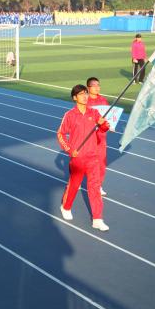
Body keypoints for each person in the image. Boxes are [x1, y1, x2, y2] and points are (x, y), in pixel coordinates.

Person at [57, 85, 110, 231]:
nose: (85, 96)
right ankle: (66, 207)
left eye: (86, 93)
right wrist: (69, 150)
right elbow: (60, 134)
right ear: (75, 97)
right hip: (78, 157)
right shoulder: (70, 115)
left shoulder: (94, 112)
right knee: (74, 185)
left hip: (93, 157)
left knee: (94, 187)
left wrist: (103, 124)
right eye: (81, 94)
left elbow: (105, 128)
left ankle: (97, 219)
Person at [86, 77, 109, 196]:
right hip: (87, 137)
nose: (97, 87)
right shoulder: (84, 100)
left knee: (100, 163)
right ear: (88, 88)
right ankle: (76, 181)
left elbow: (108, 117)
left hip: (100, 137)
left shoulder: (103, 100)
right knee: (83, 162)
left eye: (98, 85)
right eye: (94, 85)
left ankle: (98, 185)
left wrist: (110, 125)